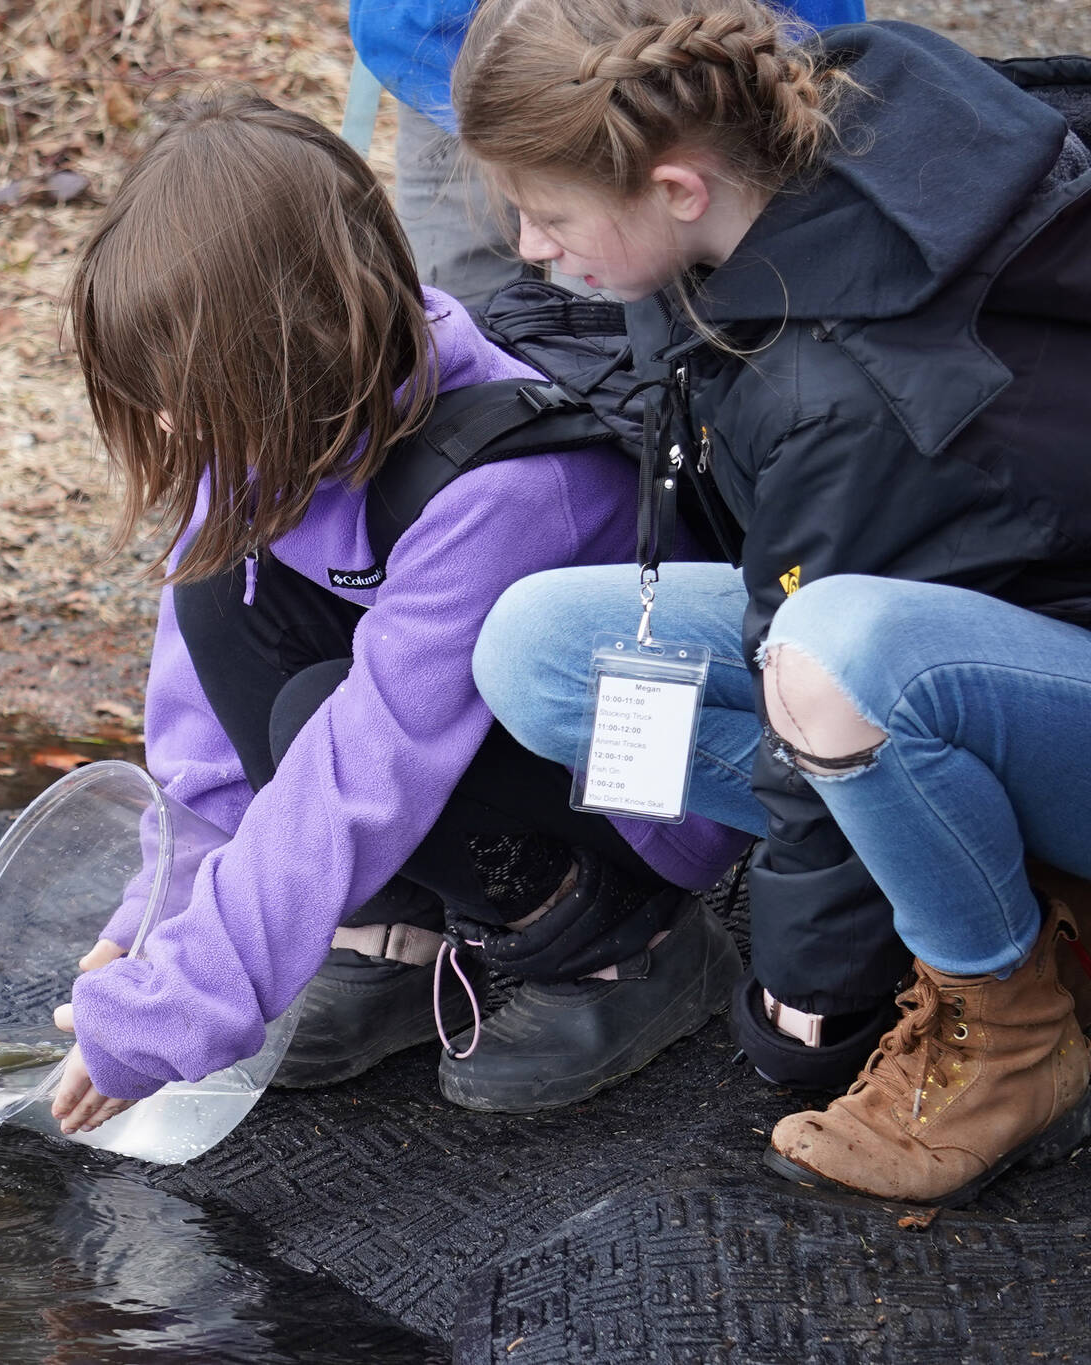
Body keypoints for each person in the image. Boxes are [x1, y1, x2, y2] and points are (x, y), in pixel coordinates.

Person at [452, 0, 1091, 1203]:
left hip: (1025, 679)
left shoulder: (847, 388)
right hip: (988, 646)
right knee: (543, 647)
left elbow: (810, 672)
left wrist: (806, 1001)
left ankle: (1004, 1025)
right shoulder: (761, 212)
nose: (530, 250)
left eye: (545, 216)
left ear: (677, 185)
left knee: (836, 652)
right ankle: (1000, 891)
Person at [43, 87, 751, 1138]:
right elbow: (202, 755)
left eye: (192, 393)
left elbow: (361, 768)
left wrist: (180, 1013)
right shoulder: (247, 442)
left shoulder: (503, 485)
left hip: (637, 802)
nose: (167, 421)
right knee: (220, 598)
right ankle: (392, 937)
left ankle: (624, 952)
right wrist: (154, 931)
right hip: (449, 751)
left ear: (298, 351)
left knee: (324, 715)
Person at [347, 0, 863, 307]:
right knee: (460, 307)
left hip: (651, 81)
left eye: (548, 220)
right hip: (447, 46)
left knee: (621, 324)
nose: (527, 246)